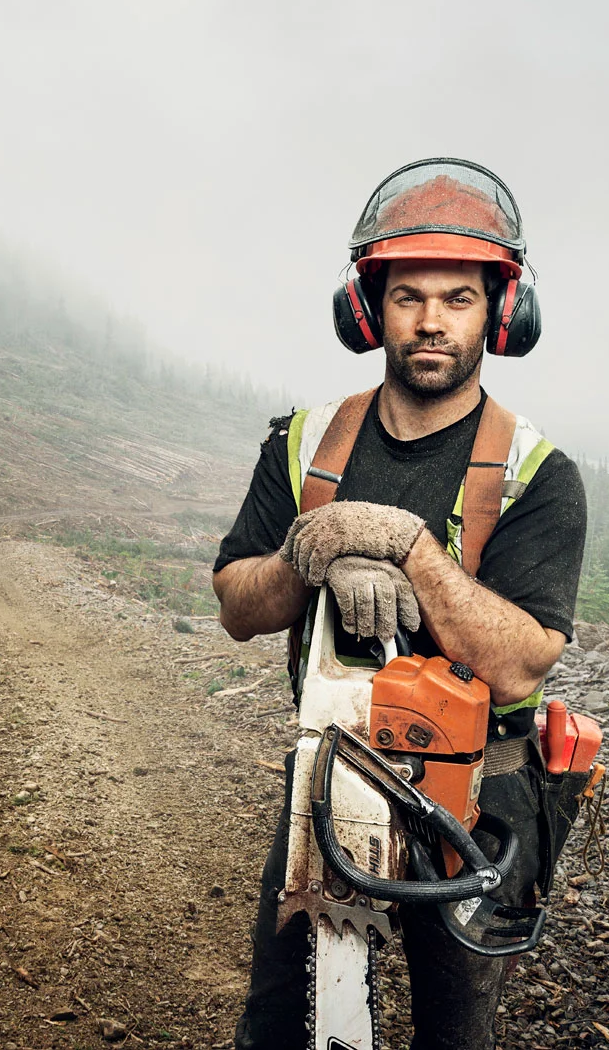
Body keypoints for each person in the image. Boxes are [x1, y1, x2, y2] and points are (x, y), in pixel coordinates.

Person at [213, 158, 588, 1050]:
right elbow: (236, 603)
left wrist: (410, 549)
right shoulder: (303, 442)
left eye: (457, 298)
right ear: (366, 308)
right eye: (407, 295)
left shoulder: (540, 474)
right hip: (332, 757)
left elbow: (521, 662)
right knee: (279, 1012)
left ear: (499, 314)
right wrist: (309, 556)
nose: (429, 321)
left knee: (454, 1023)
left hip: (475, 781)